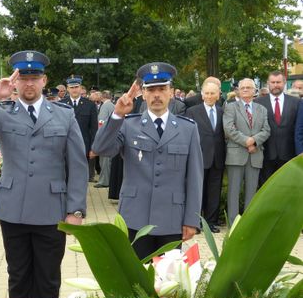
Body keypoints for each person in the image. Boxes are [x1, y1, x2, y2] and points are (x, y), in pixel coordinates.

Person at [0, 50, 88, 298]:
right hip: (14, 209)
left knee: (48, 278)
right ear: (15, 82)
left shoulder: (64, 115)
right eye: (23, 78)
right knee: (18, 277)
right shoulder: (2, 112)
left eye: (34, 78)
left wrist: (76, 210)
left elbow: (78, 165)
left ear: (44, 80)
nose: (29, 83)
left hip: (51, 210)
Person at [92, 62, 203, 260]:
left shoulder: (188, 129)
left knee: (168, 276)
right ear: (143, 94)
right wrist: (117, 115)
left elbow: (195, 178)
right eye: (151, 90)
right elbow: (100, 148)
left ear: (171, 92)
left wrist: (192, 219)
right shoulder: (128, 124)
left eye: (162, 89)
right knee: (137, 275)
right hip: (135, 216)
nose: (156, 95)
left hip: (172, 218)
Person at [223, 78, 270, 225]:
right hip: (236, 155)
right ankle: (233, 225)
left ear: (254, 90)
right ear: (238, 90)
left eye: (248, 87)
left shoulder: (262, 109)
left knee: (251, 192)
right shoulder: (231, 107)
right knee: (233, 192)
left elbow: (266, 130)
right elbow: (229, 129)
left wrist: (254, 141)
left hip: (255, 155)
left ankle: (248, 224)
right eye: (242, 87)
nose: (244, 90)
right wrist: (247, 141)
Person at [185, 81, 225, 233]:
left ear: (218, 95)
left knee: (214, 191)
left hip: (218, 158)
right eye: (206, 93)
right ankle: (196, 222)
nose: (209, 96)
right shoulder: (192, 111)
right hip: (199, 157)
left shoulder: (222, 112)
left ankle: (211, 222)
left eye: (212, 93)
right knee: (197, 191)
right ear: (202, 95)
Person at [255, 71, 300, 186]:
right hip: (265, 154)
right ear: (268, 83)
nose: (275, 85)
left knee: (287, 186)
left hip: (289, 154)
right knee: (266, 187)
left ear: (284, 83)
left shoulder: (296, 102)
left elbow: (299, 129)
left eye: (278, 82)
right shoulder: (258, 103)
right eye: (273, 82)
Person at [61, 75, 98, 182]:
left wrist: (93, 148)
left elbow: (94, 129)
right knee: (65, 175)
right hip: (65, 146)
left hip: (84, 146)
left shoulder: (90, 105)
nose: (74, 90)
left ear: (81, 88)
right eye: (72, 87)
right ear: (67, 89)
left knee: (81, 177)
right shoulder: (61, 104)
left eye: (76, 87)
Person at [94, 90, 115, 188]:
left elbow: (101, 122)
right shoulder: (113, 105)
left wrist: (99, 136)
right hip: (112, 135)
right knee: (108, 161)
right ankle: (108, 180)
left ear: (102, 97)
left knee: (104, 160)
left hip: (105, 136)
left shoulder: (105, 106)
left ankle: (104, 181)